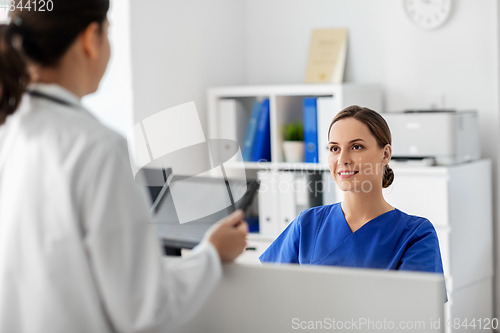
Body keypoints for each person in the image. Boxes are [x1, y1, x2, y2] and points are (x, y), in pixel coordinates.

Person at [0, 1, 248, 332]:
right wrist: (211, 254)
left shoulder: (11, 130)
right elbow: (145, 310)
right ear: (91, 38)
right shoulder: (97, 147)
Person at [260, 106, 444, 275]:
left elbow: (415, 307)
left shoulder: (416, 235)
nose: (342, 159)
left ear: (385, 154)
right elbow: (268, 293)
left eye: (356, 147)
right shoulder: (307, 224)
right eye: (334, 148)